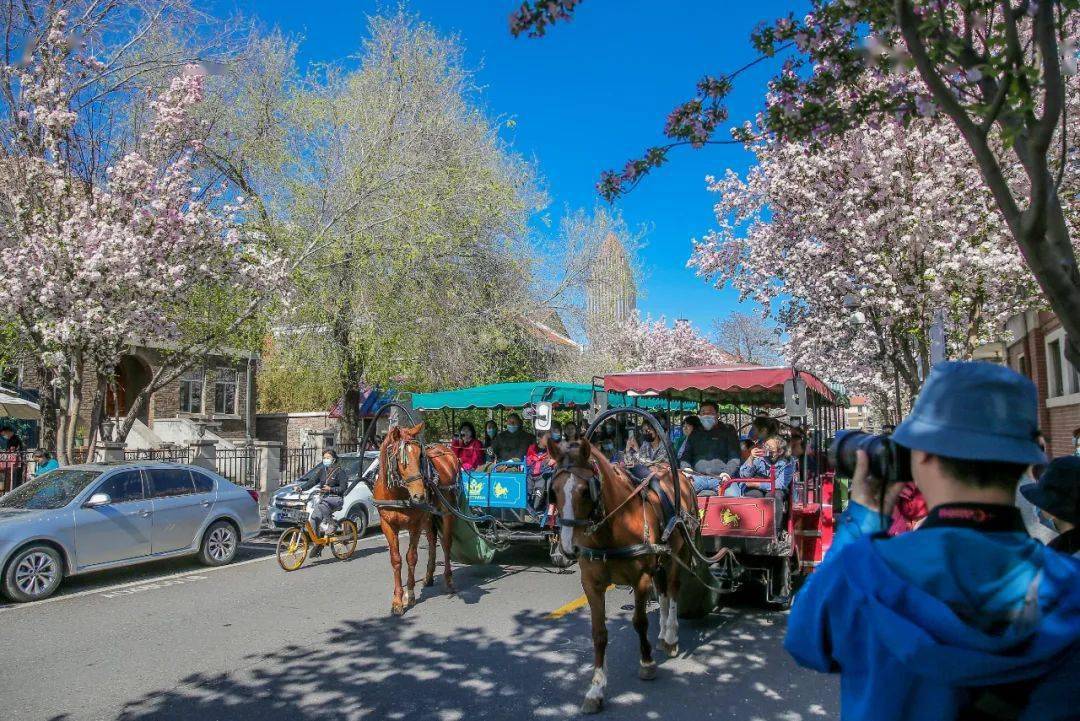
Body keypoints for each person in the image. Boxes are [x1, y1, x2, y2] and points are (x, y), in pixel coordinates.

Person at [785, 361, 1080, 721]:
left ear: (920, 455)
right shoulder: (1071, 588)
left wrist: (863, 515)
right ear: (1035, 456)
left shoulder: (860, 571)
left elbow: (804, 642)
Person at [1021, 455, 1080, 557]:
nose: (1037, 505)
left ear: (1050, 511)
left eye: (1039, 501)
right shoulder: (1067, 544)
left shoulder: (1062, 561)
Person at [683, 402, 741, 493]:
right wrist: (686, 469)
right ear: (699, 415)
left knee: (734, 497)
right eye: (703, 413)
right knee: (678, 497)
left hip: (721, 479)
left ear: (717, 415)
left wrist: (727, 474)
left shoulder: (728, 431)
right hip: (698, 478)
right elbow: (686, 455)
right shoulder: (695, 433)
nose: (706, 415)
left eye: (710, 413)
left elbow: (735, 458)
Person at [309, 450, 348, 558]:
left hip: (336, 499)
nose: (325, 459)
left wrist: (331, 489)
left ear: (333, 459)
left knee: (322, 504)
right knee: (313, 519)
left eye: (328, 457)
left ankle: (332, 523)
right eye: (324, 457)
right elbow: (312, 481)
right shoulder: (322, 471)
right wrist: (300, 488)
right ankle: (318, 543)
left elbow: (343, 488)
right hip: (324, 499)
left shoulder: (340, 472)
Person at [728, 436, 795, 498]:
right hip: (755, 487)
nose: (766, 448)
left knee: (774, 496)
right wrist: (751, 458)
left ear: (780, 451)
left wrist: (758, 484)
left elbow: (780, 484)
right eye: (765, 445)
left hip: (775, 488)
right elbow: (744, 476)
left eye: (770, 447)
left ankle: (774, 511)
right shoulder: (760, 456)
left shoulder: (788, 462)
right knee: (753, 495)